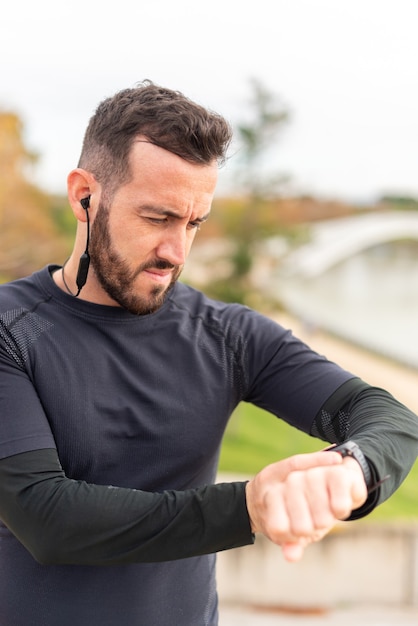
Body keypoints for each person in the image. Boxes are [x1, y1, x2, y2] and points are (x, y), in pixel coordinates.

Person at [0, 80, 416, 626]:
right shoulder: (11, 331)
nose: (176, 251)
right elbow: (46, 517)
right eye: (157, 219)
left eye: (193, 223)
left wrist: (351, 469)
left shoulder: (226, 334)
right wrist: (250, 507)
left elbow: (391, 419)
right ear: (84, 196)